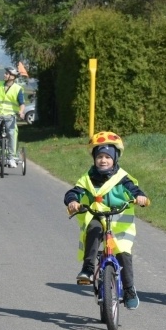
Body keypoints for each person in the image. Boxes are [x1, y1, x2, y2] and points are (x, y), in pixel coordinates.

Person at [64, 131, 149, 310]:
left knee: (124, 254)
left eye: (108, 157)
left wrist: (140, 197)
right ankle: (88, 269)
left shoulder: (122, 178)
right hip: (97, 215)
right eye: (99, 156)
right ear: (94, 158)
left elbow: (135, 190)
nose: (103, 160)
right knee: (93, 230)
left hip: (119, 221)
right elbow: (74, 192)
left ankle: (129, 290)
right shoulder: (88, 178)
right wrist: (72, 201)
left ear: (115, 158)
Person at [0, 67, 25, 168]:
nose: (4, 75)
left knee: (11, 134)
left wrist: (21, 112)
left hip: (10, 115)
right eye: (5, 73)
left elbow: (22, 103)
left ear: (12, 76)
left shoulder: (17, 88)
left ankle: (11, 157)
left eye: (7, 74)